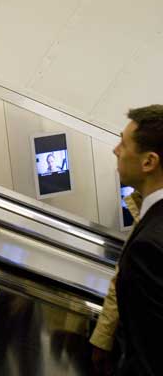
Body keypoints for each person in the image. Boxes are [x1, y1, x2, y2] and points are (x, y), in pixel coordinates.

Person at [110, 104, 163, 375]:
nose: (116, 150)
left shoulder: (148, 247)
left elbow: (149, 355)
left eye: (123, 143)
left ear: (148, 162)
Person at [90, 190, 142, 376]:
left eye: (123, 157)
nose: (117, 158)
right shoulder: (146, 208)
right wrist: (103, 337)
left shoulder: (153, 220)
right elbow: (121, 278)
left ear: (149, 162)